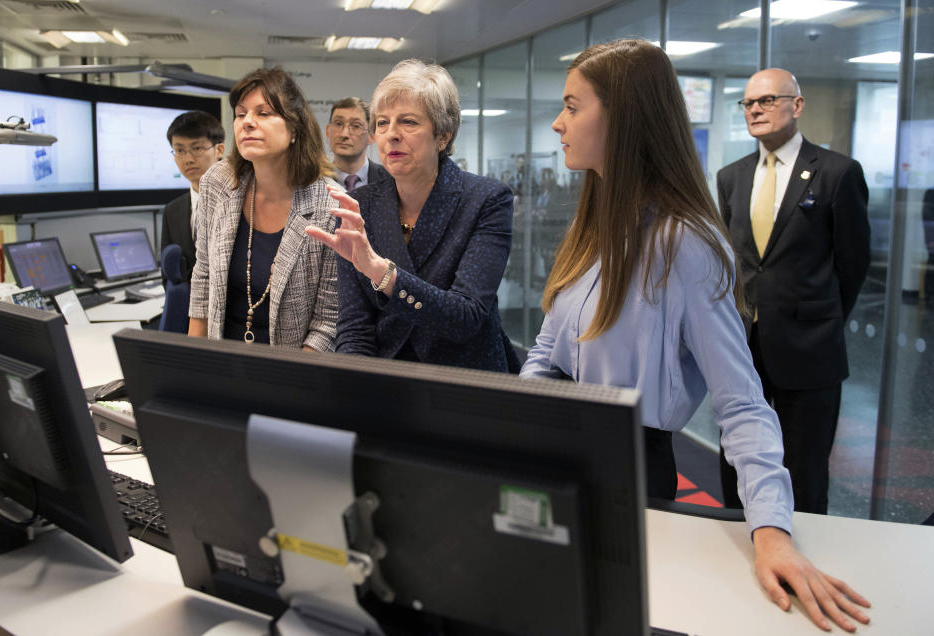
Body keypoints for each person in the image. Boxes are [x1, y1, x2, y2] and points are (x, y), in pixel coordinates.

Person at [520, 40, 870, 632]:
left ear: (623, 116)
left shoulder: (684, 244)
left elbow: (742, 403)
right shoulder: (595, 228)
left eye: (573, 106)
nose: (559, 122)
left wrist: (771, 531)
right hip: (562, 456)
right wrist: (526, 421)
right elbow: (545, 351)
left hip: (630, 474)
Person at [717, 69, 871, 515]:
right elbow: (735, 258)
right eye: (748, 104)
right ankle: (740, 534)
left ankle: (805, 562)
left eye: (767, 100)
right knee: (738, 457)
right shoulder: (732, 177)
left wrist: (820, 320)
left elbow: (853, 263)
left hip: (810, 347)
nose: (756, 110)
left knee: (804, 467)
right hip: (743, 346)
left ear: (797, 106)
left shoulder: (838, 173)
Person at [306, 59, 519, 371]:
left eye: (408, 122)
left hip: (466, 381)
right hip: (387, 383)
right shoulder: (358, 204)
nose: (391, 134)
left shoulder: (486, 199)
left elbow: (465, 318)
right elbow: (355, 327)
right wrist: (356, 391)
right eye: (381, 123)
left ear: (443, 136)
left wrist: (383, 273)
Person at [188, 67, 339, 351]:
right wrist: (191, 364)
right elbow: (203, 277)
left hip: (290, 372)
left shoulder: (329, 207)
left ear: (294, 128)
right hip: (220, 361)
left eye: (264, 113)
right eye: (241, 113)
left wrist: (285, 386)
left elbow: (328, 322)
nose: (247, 122)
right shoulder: (217, 183)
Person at [161, 110, 225, 283]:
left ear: (219, 150)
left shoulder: (241, 200)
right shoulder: (172, 211)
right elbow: (168, 276)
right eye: (179, 150)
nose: (187, 159)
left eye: (197, 148)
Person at [326, 96, 389, 192]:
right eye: (338, 124)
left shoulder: (391, 181)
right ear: (328, 131)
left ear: (372, 135)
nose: (344, 134)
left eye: (356, 126)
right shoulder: (313, 181)